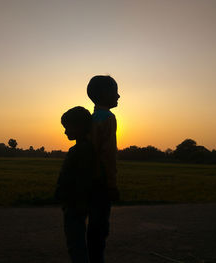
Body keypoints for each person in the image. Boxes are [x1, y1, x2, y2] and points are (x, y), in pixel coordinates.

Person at [86, 75, 120, 263]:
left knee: (93, 224)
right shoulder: (108, 117)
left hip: (89, 179)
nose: (119, 96)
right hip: (101, 181)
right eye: (115, 92)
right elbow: (108, 155)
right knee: (100, 226)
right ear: (103, 94)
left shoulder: (91, 119)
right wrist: (112, 184)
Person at [55, 106, 95, 263]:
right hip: (78, 202)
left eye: (67, 127)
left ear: (79, 127)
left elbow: (76, 179)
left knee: (75, 242)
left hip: (74, 203)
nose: (65, 132)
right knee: (76, 240)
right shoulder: (86, 149)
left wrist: (62, 194)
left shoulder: (81, 151)